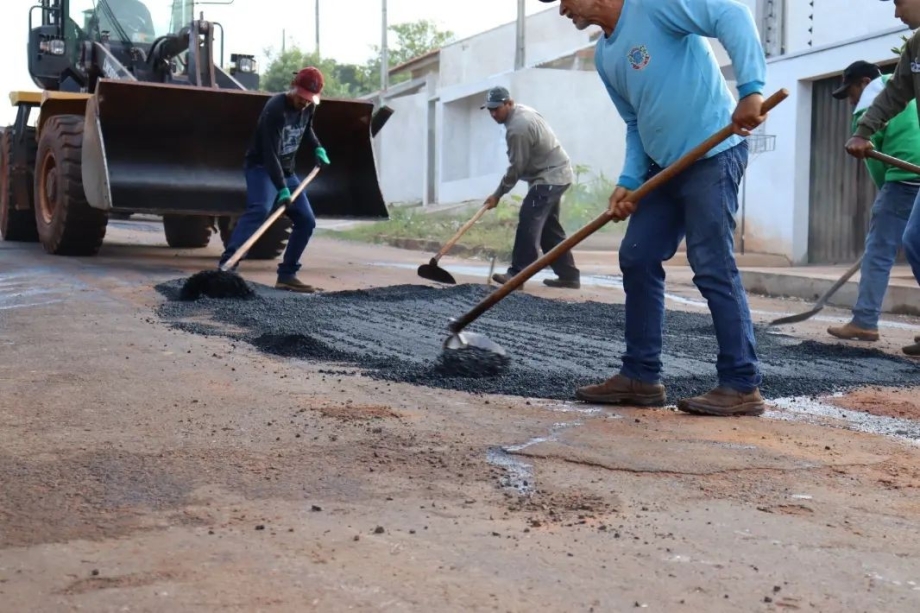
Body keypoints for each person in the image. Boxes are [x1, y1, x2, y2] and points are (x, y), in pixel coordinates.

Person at [539, 0, 770, 416]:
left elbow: (731, 14)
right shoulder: (606, 55)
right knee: (637, 255)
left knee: (711, 263)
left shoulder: (655, 6)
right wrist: (628, 181)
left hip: (714, 155)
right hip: (664, 169)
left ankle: (741, 383)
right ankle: (641, 376)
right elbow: (635, 123)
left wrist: (751, 89)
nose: (562, 10)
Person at [845, 0, 920, 358]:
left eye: (899, 2)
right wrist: (863, 131)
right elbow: (896, 95)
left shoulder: (870, 89)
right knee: (915, 240)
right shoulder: (916, 47)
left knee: (887, 246)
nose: (896, 13)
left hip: (904, 174)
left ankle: (865, 319)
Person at [828, 60, 920, 344]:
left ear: (864, 83)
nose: (850, 100)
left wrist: (886, 211)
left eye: (851, 92)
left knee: (879, 251)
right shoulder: (906, 88)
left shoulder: (869, 108)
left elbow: (878, 171)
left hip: (904, 176)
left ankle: (865, 321)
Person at [219, 67, 331, 293]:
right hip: (262, 167)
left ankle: (287, 275)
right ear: (293, 88)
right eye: (302, 98)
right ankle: (227, 266)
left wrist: (317, 147)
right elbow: (270, 154)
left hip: (287, 171)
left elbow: (306, 129)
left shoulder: (308, 108)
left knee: (306, 221)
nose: (305, 103)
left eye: (310, 100)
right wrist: (282, 189)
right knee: (260, 209)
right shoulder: (275, 109)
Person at [481, 87, 581, 290]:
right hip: (555, 174)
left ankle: (517, 274)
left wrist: (497, 194)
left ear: (509, 103)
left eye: (497, 109)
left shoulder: (518, 128)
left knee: (529, 218)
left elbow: (517, 168)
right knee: (548, 229)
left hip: (551, 177)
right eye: (490, 109)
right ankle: (569, 275)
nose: (493, 114)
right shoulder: (521, 113)